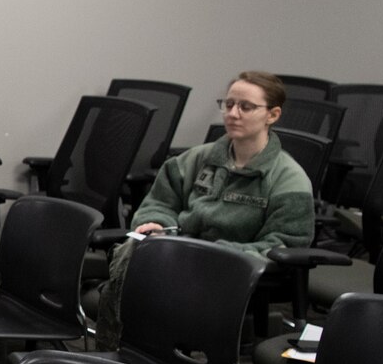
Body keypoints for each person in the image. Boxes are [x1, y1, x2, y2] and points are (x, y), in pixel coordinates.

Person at [93, 71, 313, 348]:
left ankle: (147, 356)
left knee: (155, 292)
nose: (233, 113)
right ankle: (118, 353)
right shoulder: (198, 158)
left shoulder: (288, 177)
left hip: (230, 265)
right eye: (228, 104)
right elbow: (160, 202)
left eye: (246, 107)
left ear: (273, 115)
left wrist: (221, 253)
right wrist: (157, 223)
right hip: (181, 251)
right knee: (133, 251)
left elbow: (284, 244)